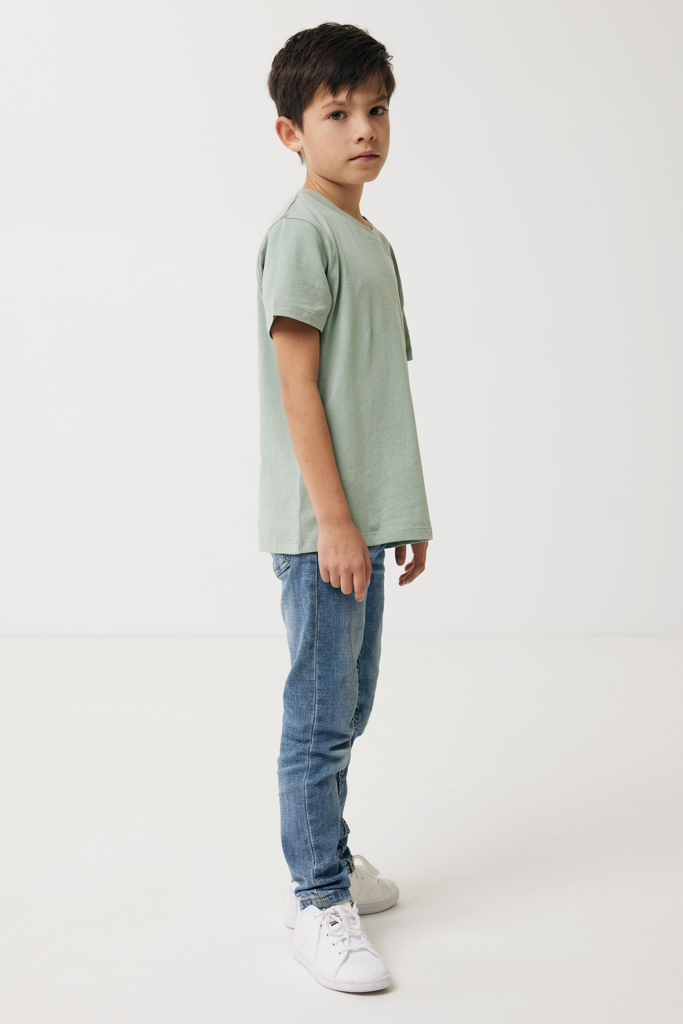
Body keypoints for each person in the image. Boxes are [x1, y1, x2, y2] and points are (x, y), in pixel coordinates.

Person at [255, 22, 433, 993]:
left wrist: (398, 514)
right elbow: (299, 388)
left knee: (349, 704)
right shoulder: (302, 235)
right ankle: (314, 896)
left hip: (358, 527)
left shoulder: (366, 237)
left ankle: (329, 851)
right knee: (319, 717)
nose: (363, 128)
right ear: (291, 132)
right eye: (336, 113)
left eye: (376, 108)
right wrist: (331, 519)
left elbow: (371, 394)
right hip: (324, 529)